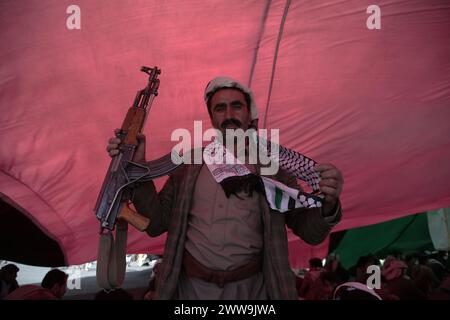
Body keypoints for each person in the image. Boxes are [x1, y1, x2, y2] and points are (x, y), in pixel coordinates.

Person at [106, 77, 344, 299]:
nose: (228, 114)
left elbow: (310, 232)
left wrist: (329, 202)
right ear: (212, 118)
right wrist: (138, 165)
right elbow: (156, 224)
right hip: (192, 289)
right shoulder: (190, 165)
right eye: (220, 108)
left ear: (249, 113)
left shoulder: (272, 167)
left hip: (253, 290)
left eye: (236, 106)